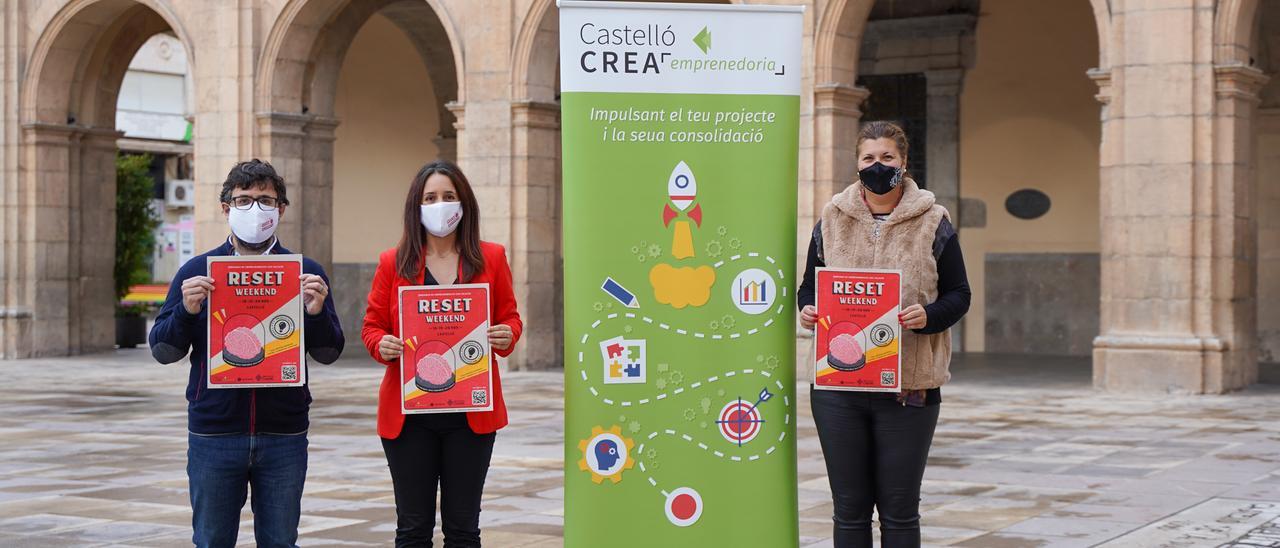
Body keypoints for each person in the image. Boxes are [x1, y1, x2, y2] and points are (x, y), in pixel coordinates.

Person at [149, 159, 345, 548]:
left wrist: (317, 312)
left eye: (265, 200)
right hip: (215, 434)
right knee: (212, 540)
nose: (254, 209)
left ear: (281, 209)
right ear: (226, 208)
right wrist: (187, 311)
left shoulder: (305, 272)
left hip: (284, 435)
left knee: (280, 542)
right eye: (243, 200)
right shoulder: (197, 270)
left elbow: (329, 351)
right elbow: (164, 349)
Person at [797, 121, 971, 548]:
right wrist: (806, 309)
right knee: (849, 511)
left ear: (904, 162)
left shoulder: (934, 220)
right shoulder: (831, 218)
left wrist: (926, 316)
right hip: (838, 387)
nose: (878, 166)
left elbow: (959, 295)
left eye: (887, 158)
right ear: (857, 164)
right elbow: (808, 286)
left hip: (909, 389)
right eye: (869, 158)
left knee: (899, 512)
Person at [361, 160, 523, 547]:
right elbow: (371, 327)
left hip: (471, 414)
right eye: (430, 197)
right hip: (409, 415)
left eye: (448, 196)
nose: (440, 204)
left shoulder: (492, 258)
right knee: (413, 528)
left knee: (463, 528)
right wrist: (381, 344)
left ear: (464, 203)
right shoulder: (393, 261)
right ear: (415, 206)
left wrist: (506, 336)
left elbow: (511, 319)